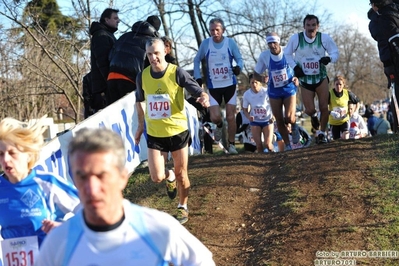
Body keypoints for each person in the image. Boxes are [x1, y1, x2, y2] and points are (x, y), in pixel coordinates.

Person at [35, 128, 215, 265]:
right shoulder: (58, 241)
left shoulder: (156, 228)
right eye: (82, 176)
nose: (91, 187)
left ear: (122, 177)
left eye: (101, 175)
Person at [134, 38, 210, 224]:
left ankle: (182, 207)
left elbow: (196, 90)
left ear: (165, 51)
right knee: (156, 177)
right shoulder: (142, 76)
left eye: (157, 53)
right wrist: (141, 125)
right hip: (155, 134)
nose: (153, 58)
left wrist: (203, 97)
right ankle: (168, 177)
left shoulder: (177, 73)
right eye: (150, 54)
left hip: (177, 131)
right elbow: (139, 101)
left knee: (181, 174)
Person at [0, 116, 79, 247]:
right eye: (0, 154)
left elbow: (90, 213)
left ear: (28, 155)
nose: (6, 159)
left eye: (12, 152)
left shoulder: (47, 183)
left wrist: (64, 228)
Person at [284, 14, 339, 144]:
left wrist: (329, 58)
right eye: (308, 25)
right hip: (305, 79)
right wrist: (295, 68)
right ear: (304, 26)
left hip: (320, 77)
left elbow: (335, 52)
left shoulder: (324, 38)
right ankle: (314, 117)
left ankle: (322, 133)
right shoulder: (296, 38)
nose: (311, 28)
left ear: (317, 26)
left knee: (324, 107)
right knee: (309, 109)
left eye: (313, 25)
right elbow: (287, 54)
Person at [193, 17, 244, 154]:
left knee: (231, 116)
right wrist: (198, 78)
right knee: (215, 117)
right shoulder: (206, 44)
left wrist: (238, 67)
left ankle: (232, 145)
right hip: (214, 86)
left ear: (223, 30)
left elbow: (239, 58)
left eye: (217, 30)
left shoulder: (230, 43)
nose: (214, 33)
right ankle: (220, 126)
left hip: (229, 85)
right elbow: (197, 59)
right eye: (212, 30)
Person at [254, 32, 300, 151]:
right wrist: (262, 79)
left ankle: (294, 125)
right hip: (274, 90)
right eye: (270, 43)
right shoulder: (264, 56)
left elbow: (299, 65)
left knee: (289, 117)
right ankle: (288, 145)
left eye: (274, 42)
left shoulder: (289, 51)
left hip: (289, 88)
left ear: (278, 41)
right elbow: (255, 74)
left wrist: (297, 77)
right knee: (279, 119)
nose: (272, 45)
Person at [107, 15, 161, 105]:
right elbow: (152, 66)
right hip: (131, 80)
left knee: (114, 115)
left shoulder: (124, 36)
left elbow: (110, 55)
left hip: (111, 77)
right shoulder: (151, 42)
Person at [368, 0, 399, 133]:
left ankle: (397, 127)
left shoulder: (380, 19)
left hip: (391, 59)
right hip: (390, 58)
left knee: (396, 92)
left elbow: (392, 38)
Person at [89, 8, 120, 112]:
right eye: (115, 18)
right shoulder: (101, 35)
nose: (118, 20)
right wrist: (111, 83)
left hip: (106, 87)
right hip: (104, 89)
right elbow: (102, 62)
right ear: (106, 20)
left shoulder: (107, 35)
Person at [242, 74, 275, 153]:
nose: (254, 85)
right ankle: (261, 163)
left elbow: (274, 105)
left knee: (268, 144)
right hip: (255, 121)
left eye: (256, 82)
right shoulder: (247, 94)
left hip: (267, 120)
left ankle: (275, 157)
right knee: (259, 146)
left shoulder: (266, 91)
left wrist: (273, 116)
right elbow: (245, 109)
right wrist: (249, 116)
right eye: (252, 83)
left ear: (260, 83)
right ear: (249, 83)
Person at [328, 75, 361, 140]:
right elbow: (324, 107)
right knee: (336, 140)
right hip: (334, 122)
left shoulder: (347, 93)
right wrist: (331, 112)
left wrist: (356, 111)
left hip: (344, 120)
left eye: (340, 84)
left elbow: (357, 102)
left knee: (346, 137)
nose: (338, 86)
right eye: (336, 84)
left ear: (343, 85)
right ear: (334, 84)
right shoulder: (329, 94)